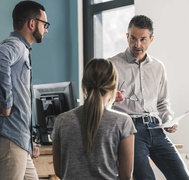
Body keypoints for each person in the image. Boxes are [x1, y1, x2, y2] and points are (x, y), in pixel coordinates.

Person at [108, 15, 189, 180]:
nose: (137, 44)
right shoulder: (112, 65)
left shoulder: (158, 67)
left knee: (183, 177)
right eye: (133, 38)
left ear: (151, 39)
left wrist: (169, 120)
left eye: (142, 39)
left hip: (156, 129)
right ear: (127, 37)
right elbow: (101, 102)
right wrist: (111, 98)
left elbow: (162, 103)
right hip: (130, 130)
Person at [52, 58, 137, 179]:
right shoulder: (122, 122)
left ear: (84, 85)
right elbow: (126, 175)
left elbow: (59, 171)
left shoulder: (62, 120)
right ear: (114, 86)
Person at [0, 1, 49, 179]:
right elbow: (1, 58)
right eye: (45, 24)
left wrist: (30, 141)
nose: (46, 29)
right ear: (32, 23)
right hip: (11, 140)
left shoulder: (22, 49)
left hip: (21, 142)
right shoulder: (16, 46)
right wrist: (6, 103)